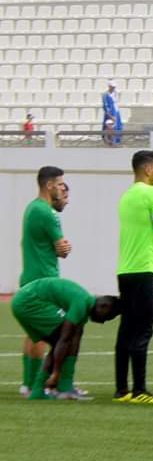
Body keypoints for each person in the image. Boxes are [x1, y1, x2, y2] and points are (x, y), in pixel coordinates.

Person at [113, 150, 153, 404]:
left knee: (127, 328)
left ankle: (122, 389)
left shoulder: (126, 196)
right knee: (144, 329)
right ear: (147, 169)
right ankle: (140, 390)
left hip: (125, 269)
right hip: (146, 268)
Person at [11, 278, 119, 400]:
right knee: (61, 339)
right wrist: (56, 373)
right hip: (29, 302)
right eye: (108, 317)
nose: (103, 322)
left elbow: (75, 339)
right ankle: (44, 389)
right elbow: (64, 339)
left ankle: (54, 388)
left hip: (22, 301)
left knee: (66, 338)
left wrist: (66, 379)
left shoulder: (85, 303)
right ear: (103, 306)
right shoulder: (81, 302)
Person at [18, 166, 72, 398]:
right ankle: (54, 384)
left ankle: (28, 383)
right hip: (44, 279)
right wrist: (65, 247)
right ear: (49, 185)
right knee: (62, 334)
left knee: (33, 334)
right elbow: (62, 249)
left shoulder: (32, 208)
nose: (62, 189)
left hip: (30, 277)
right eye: (60, 184)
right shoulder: (47, 213)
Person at [102, 81, 123, 146]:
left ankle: (117, 142)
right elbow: (105, 107)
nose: (113, 88)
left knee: (118, 126)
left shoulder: (115, 93)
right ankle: (109, 142)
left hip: (116, 112)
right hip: (110, 114)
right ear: (109, 86)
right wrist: (110, 116)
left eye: (114, 87)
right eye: (112, 87)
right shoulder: (105, 95)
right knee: (109, 127)